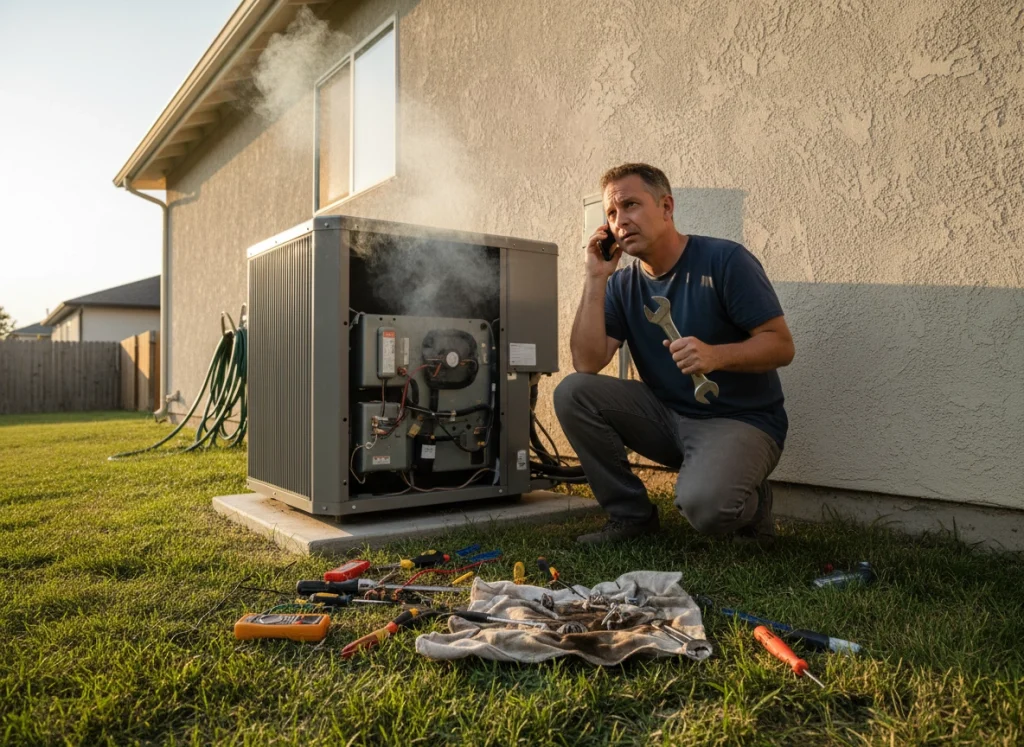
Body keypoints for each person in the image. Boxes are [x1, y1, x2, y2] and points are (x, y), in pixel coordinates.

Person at [555, 163, 795, 545]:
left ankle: (753, 502)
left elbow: (781, 346)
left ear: (666, 207)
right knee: (573, 392)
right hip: (666, 416)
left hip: (738, 419)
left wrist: (716, 356)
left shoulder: (725, 260)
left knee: (706, 508)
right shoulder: (621, 284)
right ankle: (631, 517)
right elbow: (587, 362)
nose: (620, 221)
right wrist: (595, 278)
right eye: (611, 213)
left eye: (630, 205)